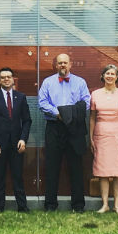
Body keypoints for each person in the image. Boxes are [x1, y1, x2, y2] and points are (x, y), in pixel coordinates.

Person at [38, 53, 91, 212]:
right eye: (60, 63)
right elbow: (42, 102)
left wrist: (70, 115)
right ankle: (50, 205)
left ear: (70, 64)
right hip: (54, 127)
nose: (62, 65)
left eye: (65, 62)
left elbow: (86, 102)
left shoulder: (80, 82)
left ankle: (78, 205)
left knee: (76, 167)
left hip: (74, 128)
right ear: (56, 65)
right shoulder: (47, 82)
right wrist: (58, 113)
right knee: (52, 166)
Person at [0, 68, 32, 213]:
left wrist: (23, 139)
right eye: (3, 77)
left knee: (18, 176)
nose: (6, 79)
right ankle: (0, 207)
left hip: (17, 144)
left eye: (9, 77)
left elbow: (27, 120)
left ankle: (22, 206)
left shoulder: (21, 97)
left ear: (13, 79)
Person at [89, 64, 118, 215]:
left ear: (117, 77)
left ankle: (117, 205)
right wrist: (91, 137)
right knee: (103, 171)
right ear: (103, 76)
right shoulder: (95, 94)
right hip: (101, 135)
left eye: (113, 74)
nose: (110, 76)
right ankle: (105, 204)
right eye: (107, 73)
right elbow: (92, 118)